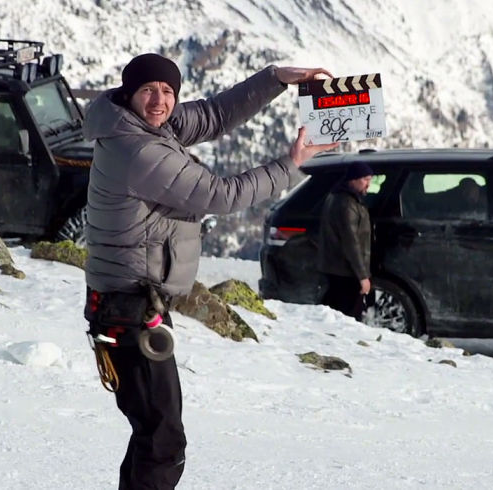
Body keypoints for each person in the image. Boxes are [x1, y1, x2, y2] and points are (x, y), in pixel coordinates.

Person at [82, 53, 338, 490]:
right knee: (163, 441)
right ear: (129, 94)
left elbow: (215, 115)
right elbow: (221, 195)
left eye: (168, 91)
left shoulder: (139, 124)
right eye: (148, 90)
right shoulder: (140, 151)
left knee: (153, 434)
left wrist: (276, 78)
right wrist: (291, 164)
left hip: (131, 304)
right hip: (128, 309)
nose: (159, 100)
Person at [318, 162, 373, 321]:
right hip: (345, 272)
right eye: (365, 179)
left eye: (370, 180)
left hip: (338, 269)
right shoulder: (347, 204)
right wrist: (362, 276)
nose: (368, 184)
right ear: (352, 180)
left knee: (337, 315)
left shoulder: (342, 198)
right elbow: (351, 242)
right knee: (346, 319)